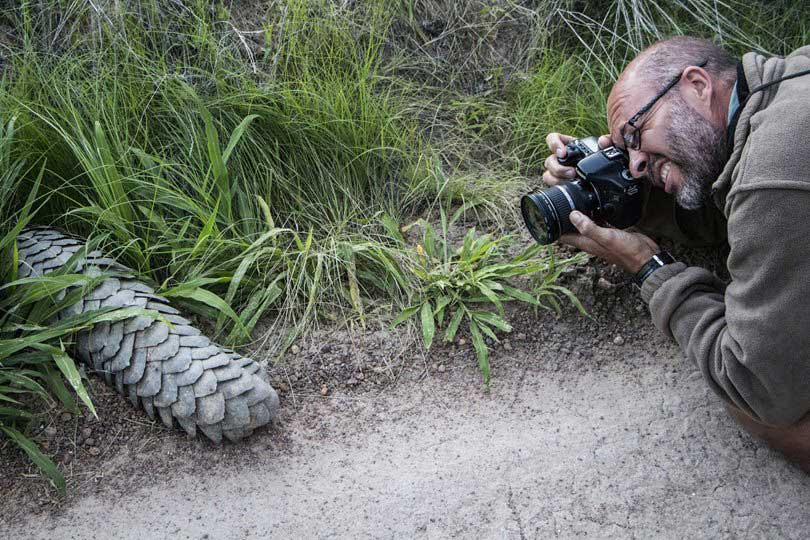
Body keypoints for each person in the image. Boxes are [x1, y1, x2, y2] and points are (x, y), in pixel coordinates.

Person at [542, 36, 810, 471]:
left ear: (697, 85)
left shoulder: (773, 177)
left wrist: (650, 267)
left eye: (635, 134)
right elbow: (731, 204)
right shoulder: (789, 80)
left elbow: (760, 388)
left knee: (767, 415)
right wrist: (624, 195)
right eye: (623, 151)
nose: (634, 165)